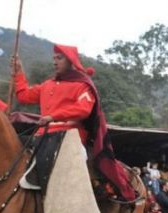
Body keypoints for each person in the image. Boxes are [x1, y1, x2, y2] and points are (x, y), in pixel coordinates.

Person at [11, 44, 136, 202]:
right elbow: (24, 96)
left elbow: (83, 109)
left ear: (70, 61)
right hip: (41, 136)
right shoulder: (47, 85)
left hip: (69, 137)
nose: (55, 62)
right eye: (54, 59)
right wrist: (18, 73)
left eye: (59, 58)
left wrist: (53, 116)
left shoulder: (83, 85)